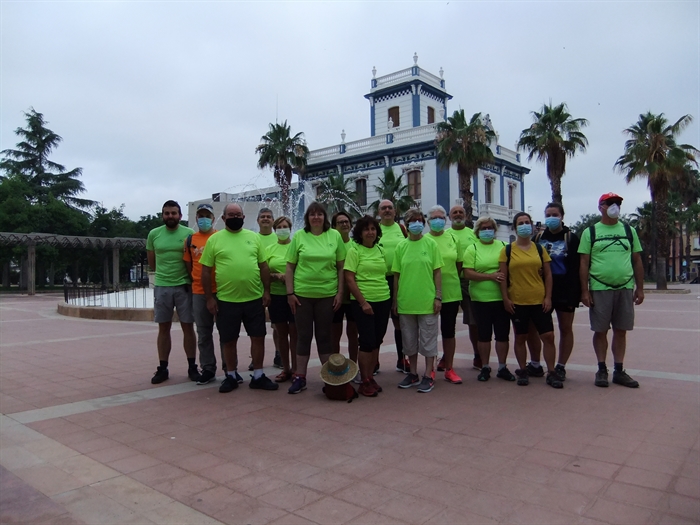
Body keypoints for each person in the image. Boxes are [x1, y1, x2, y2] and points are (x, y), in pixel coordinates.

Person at [200, 203, 277, 393]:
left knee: (258, 337)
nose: (235, 217)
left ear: (243, 217)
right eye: (231, 215)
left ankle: (258, 375)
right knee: (229, 339)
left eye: (238, 214)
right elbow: (206, 270)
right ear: (224, 218)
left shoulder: (254, 237)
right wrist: (209, 298)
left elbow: (264, 266)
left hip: (254, 299)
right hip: (226, 300)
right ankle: (231, 375)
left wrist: (266, 291)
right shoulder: (214, 240)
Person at [579, 193, 644, 388]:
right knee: (600, 331)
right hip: (599, 289)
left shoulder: (628, 230)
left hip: (624, 288)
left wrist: (640, 288)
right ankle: (601, 369)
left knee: (621, 330)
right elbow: (583, 262)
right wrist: (584, 291)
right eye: (611, 203)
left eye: (618, 203)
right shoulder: (590, 232)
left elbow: (637, 260)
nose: (615, 206)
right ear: (601, 207)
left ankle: (619, 370)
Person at [286, 202, 347, 394]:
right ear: (307, 218)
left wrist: (339, 293)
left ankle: (329, 377)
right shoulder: (299, 236)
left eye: (319, 214)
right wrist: (290, 293)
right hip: (302, 295)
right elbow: (290, 267)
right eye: (312, 214)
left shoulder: (334, 235)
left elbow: (341, 267)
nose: (316, 217)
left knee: (324, 337)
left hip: (327, 295)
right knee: (303, 336)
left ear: (324, 217)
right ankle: (300, 376)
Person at [499, 212, 561, 388]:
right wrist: (505, 299)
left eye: (527, 222)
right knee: (521, 337)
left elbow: (548, 274)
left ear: (532, 225)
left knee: (548, 336)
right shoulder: (507, 250)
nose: (524, 225)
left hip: (539, 300)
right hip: (518, 301)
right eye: (520, 223)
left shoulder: (539, 249)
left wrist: (548, 297)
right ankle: (523, 371)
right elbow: (503, 276)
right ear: (515, 227)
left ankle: (552, 372)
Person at [526, 202, 581, 380]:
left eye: (554, 214)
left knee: (565, 328)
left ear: (562, 216)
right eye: (548, 214)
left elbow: (578, 267)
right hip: (541, 291)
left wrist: (579, 292)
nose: (551, 218)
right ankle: (535, 364)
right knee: (534, 328)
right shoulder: (538, 238)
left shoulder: (571, 238)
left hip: (566, 291)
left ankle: (561, 366)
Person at [146, 200, 197, 384]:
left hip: (184, 285)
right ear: (162, 215)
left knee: (188, 327)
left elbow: (193, 259)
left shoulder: (189, 234)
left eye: (174, 213)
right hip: (162, 286)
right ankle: (163, 367)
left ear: (180, 216)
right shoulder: (154, 234)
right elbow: (152, 261)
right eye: (167, 213)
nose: (170, 216)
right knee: (163, 328)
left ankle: (192, 367)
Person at [393, 208, 443, 393]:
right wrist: (396, 301)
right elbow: (397, 276)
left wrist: (438, 296)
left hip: (427, 302)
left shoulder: (431, 245)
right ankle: (412, 373)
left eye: (420, 220)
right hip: (406, 302)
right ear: (407, 224)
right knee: (409, 340)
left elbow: (437, 271)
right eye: (413, 220)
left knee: (429, 340)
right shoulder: (401, 247)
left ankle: (428, 374)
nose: (417, 223)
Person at [183, 203, 233, 385]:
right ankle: (208, 368)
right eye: (200, 216)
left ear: (213, 218)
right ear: (196, 218)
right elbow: (189, 265)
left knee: (225, 331)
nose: (204, 219)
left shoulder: (221, 237)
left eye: (207, 216)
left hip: (221, 291)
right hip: (199, 292)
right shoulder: (190, 240)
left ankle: (229, 368)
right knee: (204, 332)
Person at [344, 215, 391, 397]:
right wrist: (363, 302)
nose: (370, 232)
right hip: (364, 303)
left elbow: (384, 274)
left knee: (377, 341)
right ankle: (363, 380)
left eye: (373, 229)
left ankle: (370, 377)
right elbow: (349, 278)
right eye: (366, 229)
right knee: (366, 342)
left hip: (383, 300)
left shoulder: (380, 250)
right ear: (360, 233)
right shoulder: (354, 251)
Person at [462, 217, 510, 382]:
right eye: (483, 228)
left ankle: (502, 367)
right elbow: (467, 273)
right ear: (477, 231)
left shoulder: (503, 247)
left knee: (502, 334)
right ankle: (485, 367)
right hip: (480, 299)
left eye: (490, 228)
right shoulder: (472, 249)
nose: (487, 231)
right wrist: (490, 276)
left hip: (501, 298)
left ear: (495, 230)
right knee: (484, 335)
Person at [427, 205, 463, 384]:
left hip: (451, 291)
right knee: (430, 332)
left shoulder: (453, 238)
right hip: (428, 293)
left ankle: (449, 368)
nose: (438, 220)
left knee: (449, 331)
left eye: (441, 217)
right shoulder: (424, 240)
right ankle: (430, 369)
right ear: (428, 221)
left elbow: (458, 264)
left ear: (446, 220)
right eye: (434, 217)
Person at [444, 205, 481, 371]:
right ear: (449, 216)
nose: (458, 215)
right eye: (454, 213)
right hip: (449, 283)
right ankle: (446, 357)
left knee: (473, 321)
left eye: (461, 212)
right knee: (447, 323)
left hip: (468, 282)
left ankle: (478, 355)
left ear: (465, 216)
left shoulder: (473, 235)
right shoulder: (445, 235)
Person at [377, 199, 409, 373]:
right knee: (378, 323)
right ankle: (374, 361)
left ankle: (401, 360)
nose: (387, 210)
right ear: (378, 212)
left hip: (399, 281)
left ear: (395, 211)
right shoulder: (373, 229)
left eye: (390, 208)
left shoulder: (402, 229)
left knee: (399, 322)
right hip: (378, 282)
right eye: (383, 208)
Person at [265, 216, 297, 383]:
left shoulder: (296, 246)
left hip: (294, 296)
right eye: (279, 227)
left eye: (285, 226)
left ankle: (298, 369)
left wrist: (290, 277)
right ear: (275, 230)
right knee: (281, 334)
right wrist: (276, 276)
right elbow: (263, 273)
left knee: (295, 333)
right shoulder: (269, 249)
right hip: (276, 296)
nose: (282, 229)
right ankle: (286, 368)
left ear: (290, 229)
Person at [331, 211, 359, 372]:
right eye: (340, 222)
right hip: (335, 296)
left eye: (346, 221)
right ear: (334, 226)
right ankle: (336, 367)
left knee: (353, 334)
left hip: (353, 297)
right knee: (335, 334)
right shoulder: (331, 245)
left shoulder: (356, 245)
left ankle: (353, 366)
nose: (344, 224)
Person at [253, 207, 279, 371]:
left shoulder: (280, 238)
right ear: (258, 220)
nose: (266, 219)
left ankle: (279, 354)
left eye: (269, 217)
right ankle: (255, 359)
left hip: (276, 289)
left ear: (273, 221)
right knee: (255, 326)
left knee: (277, 325)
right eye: (262, 217)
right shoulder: (253, 238)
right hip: (255, 288)